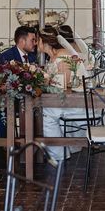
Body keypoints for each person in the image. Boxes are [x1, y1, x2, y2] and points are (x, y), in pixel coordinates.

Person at [39, 26, 88, 161]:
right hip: (65, 101)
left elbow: (65, 85)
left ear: (43, 42)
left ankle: (58, 154)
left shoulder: (63, 56)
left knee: (45, 114)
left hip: (76, 103)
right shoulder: (54, 56)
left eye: (37, 40)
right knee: (43, 109)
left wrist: (46, 82)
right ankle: (61, 149)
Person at [0, 26, 38, 169]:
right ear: (22, 41)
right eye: (32, 40)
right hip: (8, 101)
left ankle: (33, 150)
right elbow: (0, 83)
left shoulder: (33, 57)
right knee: (3, 112)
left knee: (41, 111)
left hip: (30, 101)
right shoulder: (6, 57)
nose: (35, 43)